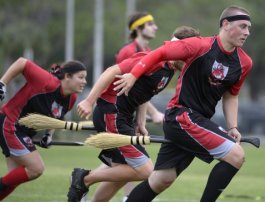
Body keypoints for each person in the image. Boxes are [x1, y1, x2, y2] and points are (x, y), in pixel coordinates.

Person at [114, 5, 252, 202]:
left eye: (249, 28)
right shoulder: (199, 45)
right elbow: (160, 53)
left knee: (162, 179)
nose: (247, 32)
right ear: (225, 24)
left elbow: (231, 95)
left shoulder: (244, 63)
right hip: (181, 116)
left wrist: (233, 126)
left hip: (197, 122)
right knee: (237, 156)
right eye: (243, 26)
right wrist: (133, 76)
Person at [67, 26, 200, 202]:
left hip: (123, 117)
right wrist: (89, 101)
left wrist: (140, 122)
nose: (190, 61)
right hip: (111, 113)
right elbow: (111, 71)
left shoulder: (169, 70)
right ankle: (84, 178)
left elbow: (144, 95)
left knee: (121, 174)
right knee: (145, 170)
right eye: (188, 55)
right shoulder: (151, 60)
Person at [0, 57, 87, 201]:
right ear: (67, 76)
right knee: (36, 168)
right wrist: (2, 83)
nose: (84, 81)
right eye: (81, 77)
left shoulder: (71, 99)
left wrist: (48, 135)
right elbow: (22, 62)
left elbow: (54, 118)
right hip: (9, 123)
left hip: (23, 132)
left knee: (14, 178)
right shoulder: (47, 81)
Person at [99, 11, 160, 202]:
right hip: (112, 112)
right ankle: (126, 196)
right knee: (132, 163)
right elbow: (122, 85)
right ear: (138, 28)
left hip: (126, 114)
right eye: (150, 24)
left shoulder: (149, 53)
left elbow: (142, 92)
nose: (155, 27)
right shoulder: (129, 51)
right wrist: (155, 112)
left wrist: (141, 119)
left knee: (123, 165)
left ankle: (89, 189)